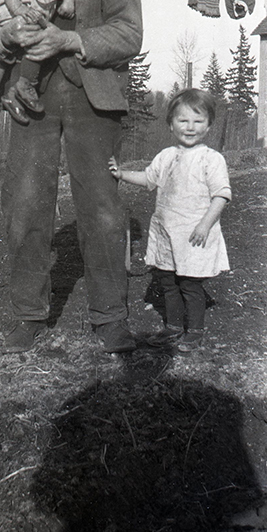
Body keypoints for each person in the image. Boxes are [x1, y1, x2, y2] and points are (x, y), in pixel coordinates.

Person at [0, 0, 143, 354]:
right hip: (32, 96)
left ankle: (110, 318)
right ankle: (29, 316)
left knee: (103, 211)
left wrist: (67, 38)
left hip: (93, 99)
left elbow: (129, 34)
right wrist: (7, 33)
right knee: (25, 203)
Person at [109, 88, 231, 352]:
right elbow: (148, 179)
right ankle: (174, 327)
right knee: (168, 282)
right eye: (183, 120)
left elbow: (221, 196)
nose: (190, 127)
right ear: (171, 124)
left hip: (193, 235)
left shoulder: (211, 159)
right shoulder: (165, 156)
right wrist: (121, 174)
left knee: (189, 284)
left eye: (198, 121)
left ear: (209, 125)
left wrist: (205, 224)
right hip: (166, 233)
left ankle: (194, 331)